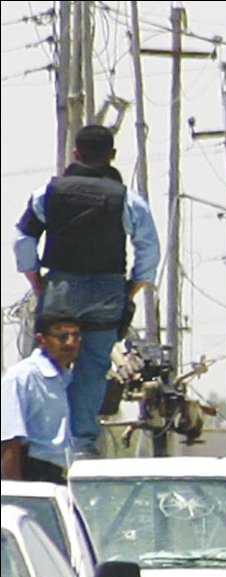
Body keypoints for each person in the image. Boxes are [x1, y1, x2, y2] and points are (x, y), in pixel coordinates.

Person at [12, 124, 161, 457]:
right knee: (93, 367)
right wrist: (131, 289)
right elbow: (149, 250)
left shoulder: (48, 193)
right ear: (112, 156)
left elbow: (23, 239)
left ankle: (38, 441)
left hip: (61, 287)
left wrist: (37, 282)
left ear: (76, 153)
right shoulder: (126, 199)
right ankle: (81, 445)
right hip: (107, 291)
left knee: (48, 363)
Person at [1, 314, 82, 483]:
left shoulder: (64, 380)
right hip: (31, 471)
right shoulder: (23, 376)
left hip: (57, 473)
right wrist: (16, 491)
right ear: (41, 340)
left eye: (75, 336)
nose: (70, 343)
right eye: (62, 336)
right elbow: (9, 439)